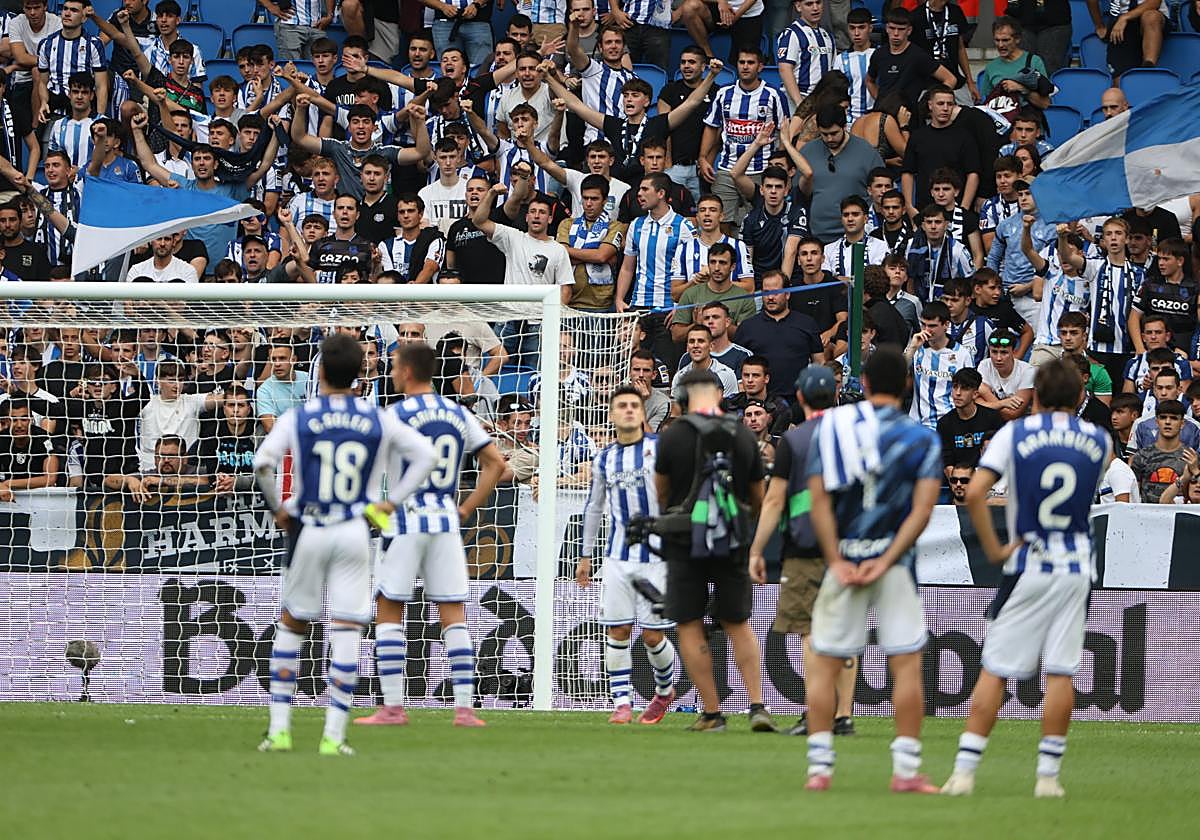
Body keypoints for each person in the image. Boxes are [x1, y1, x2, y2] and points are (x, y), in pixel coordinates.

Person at [254, 333, 436, 756]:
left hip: (309, 526)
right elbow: (425, 456)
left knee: (293, 622)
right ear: (361, 373)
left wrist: (280, 508)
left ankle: (279, 730)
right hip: (355, 529)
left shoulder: (299, 416)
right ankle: (333, 736)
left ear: (318, 371)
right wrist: (388, 503)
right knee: (348, 627)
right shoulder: (378, 418)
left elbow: (264, 463)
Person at [943, 358, 1112, 798]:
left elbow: (977, 491)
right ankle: (1048, 778)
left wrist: (996, 548)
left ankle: (963, 773)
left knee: (995, 668)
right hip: (1076, 563)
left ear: (1035, 393)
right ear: (1080, 396)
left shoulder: (1014, 434)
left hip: (1029, 560)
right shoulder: (1097, 438)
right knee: (1060, 671)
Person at [803, 348, 942, 792]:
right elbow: (922, 511)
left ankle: (819, 769)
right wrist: (886, 557)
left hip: (845, 555)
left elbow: (817, 500)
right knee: (905, 665)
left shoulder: (835, 427)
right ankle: (906, 770)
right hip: (894, 562)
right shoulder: (922, 438)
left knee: (824, 664)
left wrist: (837, 558)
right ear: (906, 384)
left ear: (862, 383)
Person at [356, 342, 505, 728]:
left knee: (390, 608)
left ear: (406, 372)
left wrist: (375, 512)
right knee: (452, 612)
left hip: (405, 520)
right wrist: (468, 507)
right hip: (445, 521)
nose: (390, 373)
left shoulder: (395, 415)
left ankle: (392, 708)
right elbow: (497, 465)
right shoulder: (457, 413)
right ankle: (465, 710)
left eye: (393, 367)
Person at [653, 367, 776, 732]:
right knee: (738, 622)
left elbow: (661, 492)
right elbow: (758, 496)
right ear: (719, 394)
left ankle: (712, 712)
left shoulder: (673, 436)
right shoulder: (741, 434)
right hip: (732, 540)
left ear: (682, 399)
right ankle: (757, 705)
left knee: (689, 622)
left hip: (684, 541)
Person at [749, 365, 858, 736]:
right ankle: (843, 715)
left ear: (799, 397)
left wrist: (757, 549)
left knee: (811, 632)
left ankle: (817, 712)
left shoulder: (794, 441)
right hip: (851, 544)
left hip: (806, 545)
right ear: (836, 395)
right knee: (842, 631)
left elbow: (775, 499)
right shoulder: (855, 436)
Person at [576, 385, 678, 724]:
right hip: (618, 556)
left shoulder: (660, 449)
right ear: (612, 413)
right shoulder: (604, 457)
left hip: (658, 558)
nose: (630, 410)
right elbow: (594, 506)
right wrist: (585, 554)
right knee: (617, 630)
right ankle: (621, 703)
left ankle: (664, 692)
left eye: (635, 405)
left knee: (652, 635)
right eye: (623, 405)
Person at [1058, 216, 1143, 387]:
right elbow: (1068, 257)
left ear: (1126, 239)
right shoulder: (1096, 267)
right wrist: (1062, 238)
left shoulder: (1140, 273)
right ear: (1103, 239)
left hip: (1128, 348)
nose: (1113, 238)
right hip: (1099, 349)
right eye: (1109, 234)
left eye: (1118, 233)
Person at [798, 104, 884, 243]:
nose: (830, 139)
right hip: (816, 237)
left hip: (857, 237)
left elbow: (881, 189)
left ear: (844, 127)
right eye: (824, 134)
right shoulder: (807, 152)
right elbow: (798, 194)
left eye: (834, 133)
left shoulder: (866, 152)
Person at [735, 270, 825, 399]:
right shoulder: (747, 327)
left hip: (799, 401)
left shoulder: (807, 323)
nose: (770, 297)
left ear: (787, 294)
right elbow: (737, 366)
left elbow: (819, 363)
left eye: (775, 292)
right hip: (759, 403)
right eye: (766, 293)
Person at [901, 85, 980, 214]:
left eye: (950, 104)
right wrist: (909, 206)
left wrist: (964, 208)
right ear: (930, 105)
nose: (945, 108)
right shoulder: (918, 136)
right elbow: (907, 172)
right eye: (940, 103)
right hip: (925, 210)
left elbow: (973, 173)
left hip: (956, 208)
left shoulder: (964, 136)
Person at [867, 8, 956, 113]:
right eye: (892, 28)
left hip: (909, 115)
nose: (896, 33)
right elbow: (869, 81)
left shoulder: (918, 56)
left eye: (901, 29)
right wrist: (881, 100)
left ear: (909, 30)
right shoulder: (879, 54)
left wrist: (927, 103)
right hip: (882, 114)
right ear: (886, 28)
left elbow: (950, 79)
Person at [906, 300, 976, 430]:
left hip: (950, 426)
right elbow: (896, 376)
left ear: (946, 325)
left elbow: (970, 390)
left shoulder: (962, 354)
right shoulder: (916, 348)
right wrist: (912, 348)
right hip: (918, 425)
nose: (926, 330)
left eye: (932, 326)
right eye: (923, 324)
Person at [937, 368, 1003, 468]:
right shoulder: (944, 424)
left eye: (964, 388)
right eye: (955, 387)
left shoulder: (992, 418)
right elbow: (947, 464)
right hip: (957, 480)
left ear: (975, 394)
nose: (958, 393)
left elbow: (999, 457)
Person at [776, 0, 837, 108]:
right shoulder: (791, 34)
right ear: (798, 7)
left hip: (823, 100)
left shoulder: (827, 36)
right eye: (809, 4)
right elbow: (784, 69)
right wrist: (800, 103)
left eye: (818, 2)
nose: (815, 8)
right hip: (798, 100)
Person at [1087, 0, 1166, 78]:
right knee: (1120, 80)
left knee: (1151, 16)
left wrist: (1125, 17)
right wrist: (1099, 26)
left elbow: (1154, 2)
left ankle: (1148, 67)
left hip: (1153, 18)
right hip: (1122, 25)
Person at [977, 328, 1035, 421]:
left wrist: (985, 392)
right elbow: (975, 403)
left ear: (1014, 352)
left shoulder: (1027, 371)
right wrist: (1003, 404)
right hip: (993, 420)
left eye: (1004, 352)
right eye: (994, 352)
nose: (998, 358)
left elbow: (1012, 415)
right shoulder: (984, 365)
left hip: (1021, 422)